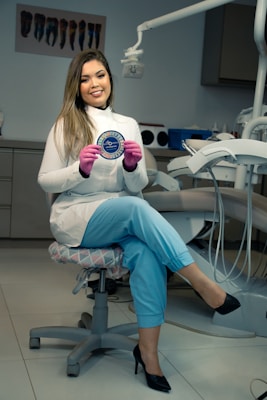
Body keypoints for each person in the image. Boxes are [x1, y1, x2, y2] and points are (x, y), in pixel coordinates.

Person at [38, 49, 240, 393]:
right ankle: (202, 283)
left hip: (121, 210)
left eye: (99, 75)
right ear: (76, 86)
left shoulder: (128, 125)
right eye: (85, 79)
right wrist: (79, 169)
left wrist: (133, 167)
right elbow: (45, 180)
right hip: (78, 216)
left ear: (110, 80)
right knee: (137, 209)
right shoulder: (66, 123)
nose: (94, 84)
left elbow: (135, 186)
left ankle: (148, 354)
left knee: (146, 254)